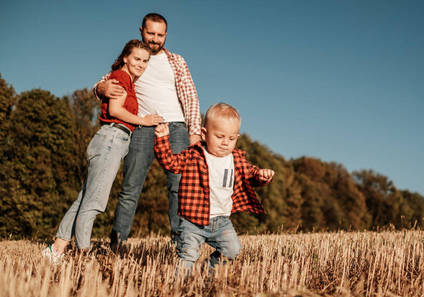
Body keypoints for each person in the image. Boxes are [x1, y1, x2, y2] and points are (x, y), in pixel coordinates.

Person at [42, 40, 163, 262]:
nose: (141, 64)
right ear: (126, 57)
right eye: (137, 59)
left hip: (110, 140)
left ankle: (56, 249)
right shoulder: (121, 77)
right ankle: (82, 255)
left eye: (145, 61)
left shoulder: (124, 78)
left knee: (85, 198)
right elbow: (116, 110)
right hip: (112, 139)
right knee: (94, 203)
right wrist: (143, 121)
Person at [93, 13, 202, 249]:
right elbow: (106, 81)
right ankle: (118, 244)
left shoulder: (176, 61)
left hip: (176, 128)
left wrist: (194, 131)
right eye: (150, 33)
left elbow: (190, 96)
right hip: (143, 127)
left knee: (179, 187)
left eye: (160, 35)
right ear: (141, 30)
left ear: (165, 35)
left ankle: (180, 244)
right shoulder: (135, 57)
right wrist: (101, 88)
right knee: (131, 187)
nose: (155, 39)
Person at [153, 103, 275, 271]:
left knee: (232, 250)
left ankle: (207, 270)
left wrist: (261, 175)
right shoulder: (193, 155)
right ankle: (178, 288)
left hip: (221, 221)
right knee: (187, 255)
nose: (225, 143)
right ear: (204, 134)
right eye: (220, 136)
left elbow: (251, 174)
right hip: (192, 221)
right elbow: (170, 163)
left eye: (231, 139)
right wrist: (162, 140)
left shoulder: (236, 159)